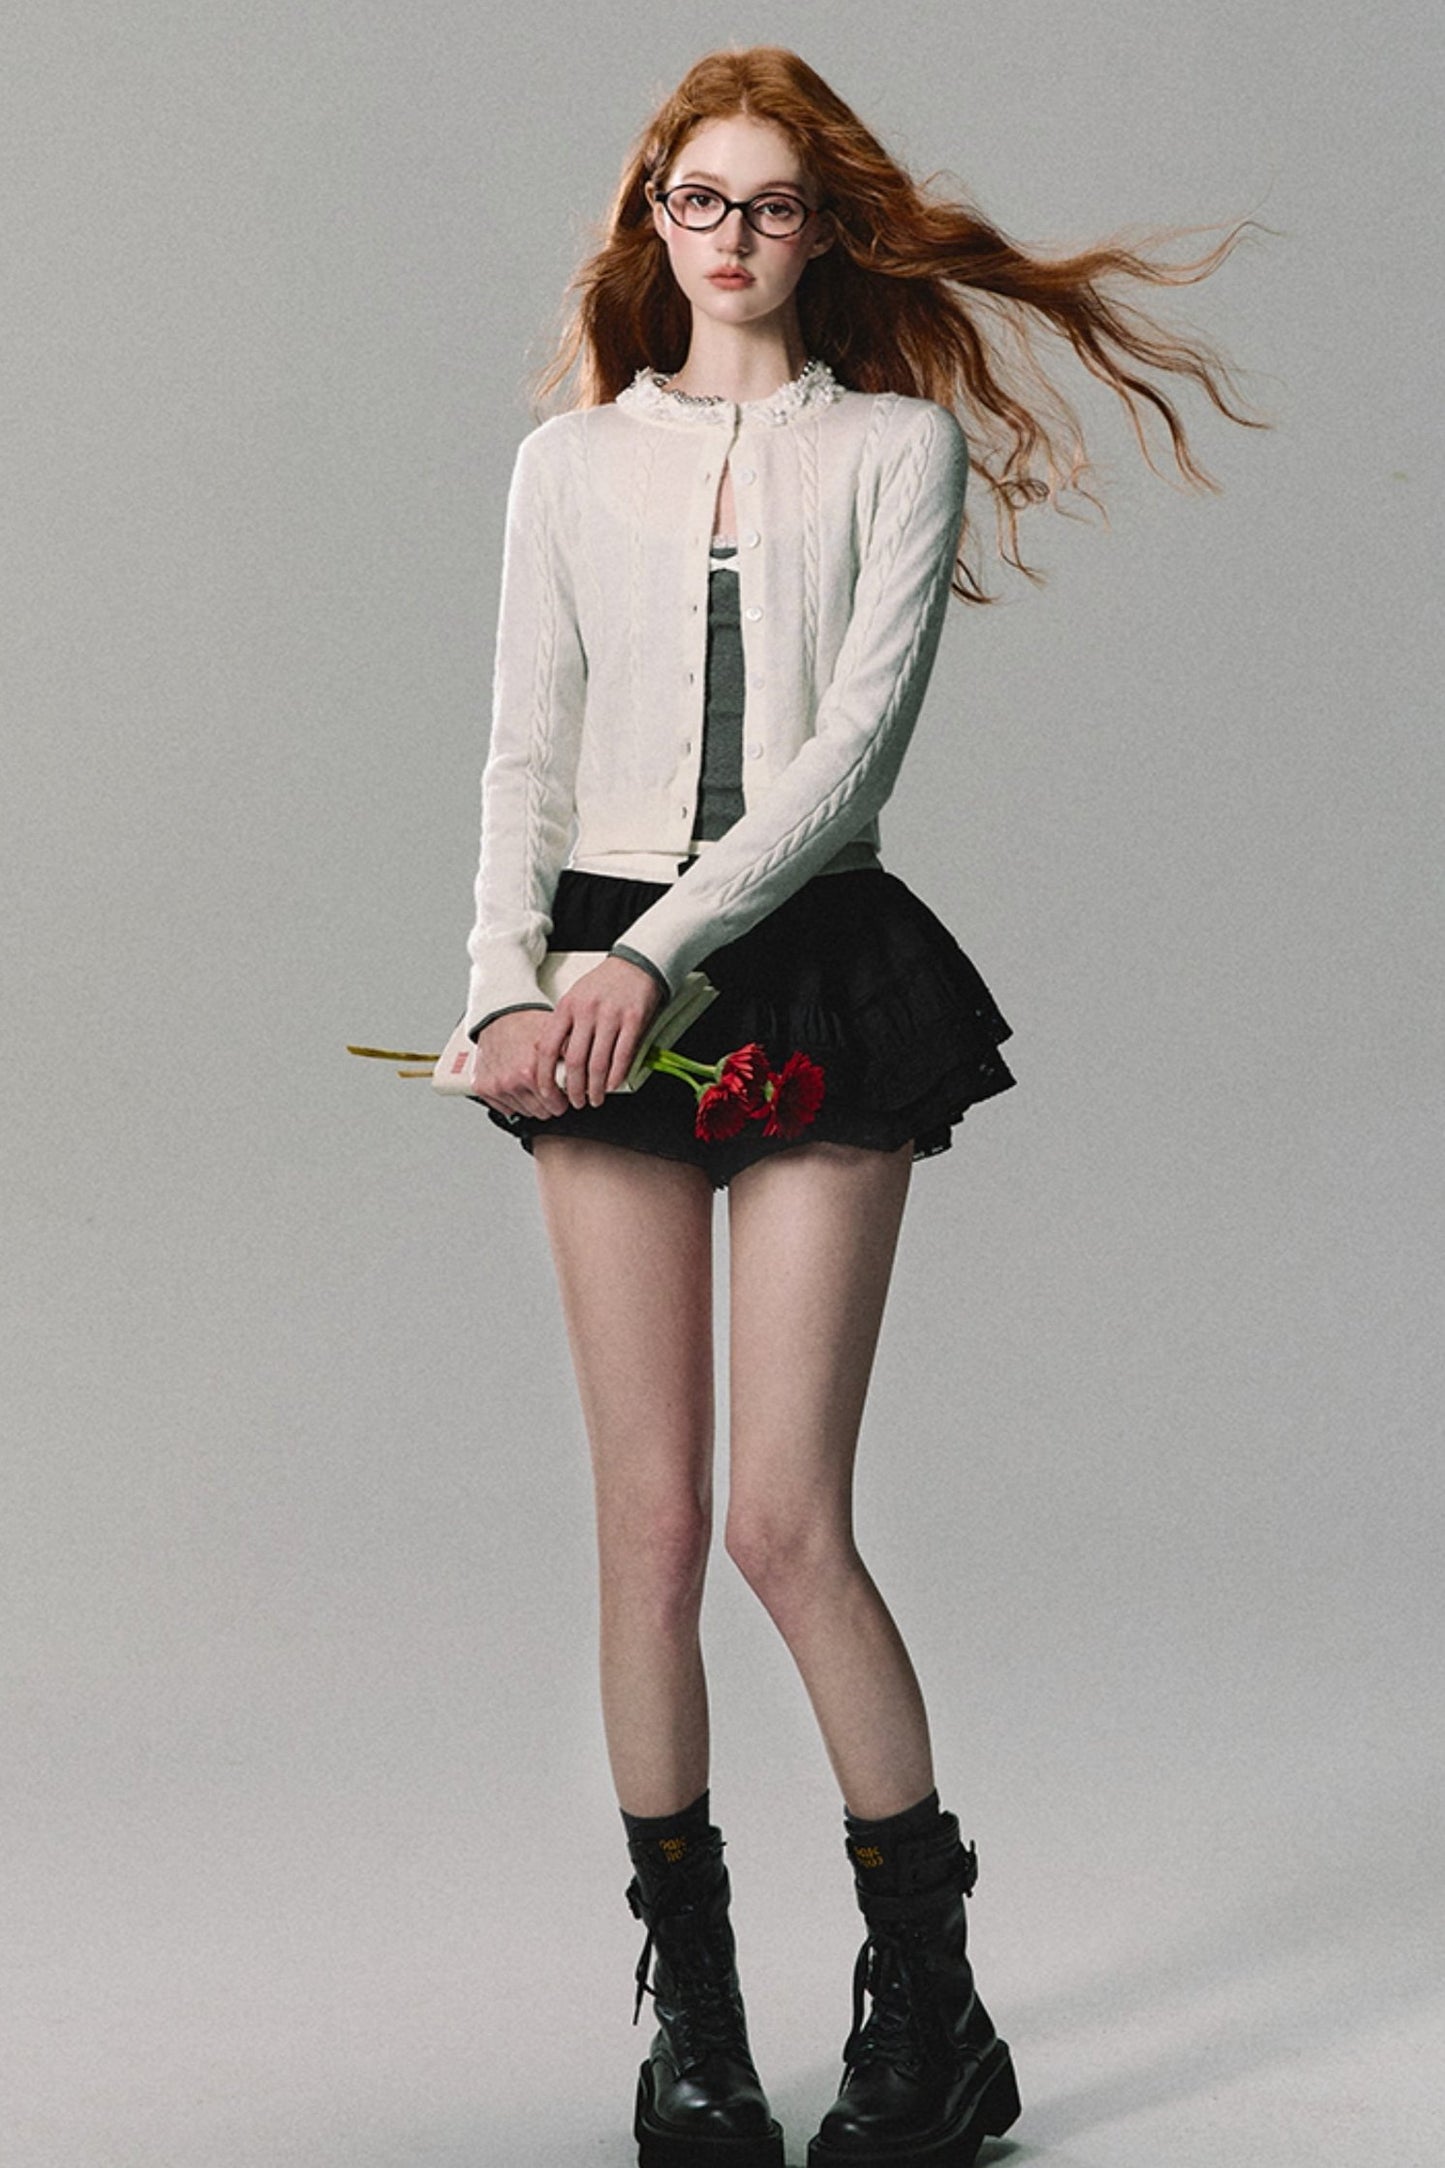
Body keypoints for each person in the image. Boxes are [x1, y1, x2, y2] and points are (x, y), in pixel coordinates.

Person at [459, 45, 1263, 2168]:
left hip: (804, 959)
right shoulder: (569, 467)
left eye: (771, 204)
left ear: (821, 230)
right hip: (591, 970)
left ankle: (932, 2008)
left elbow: (842, 765)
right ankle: (698, 2033)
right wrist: (503, 990)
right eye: (698, 201)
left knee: (781, 1524)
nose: (730, 238)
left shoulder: (898, 449)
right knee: (644, 1532)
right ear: (651, 218)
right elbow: (523, 754)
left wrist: (648, 961)